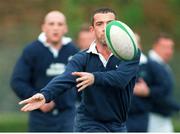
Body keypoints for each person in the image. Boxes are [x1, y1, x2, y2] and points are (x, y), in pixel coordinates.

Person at [18, 7, 140, 132]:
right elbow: (66, 77)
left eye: (109, 24)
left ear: (118, 27)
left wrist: (94, 77)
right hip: (89, 123)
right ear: (92, 30)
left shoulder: (130, 54)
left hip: (118, 124)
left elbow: (121, 79)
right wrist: (45, 95)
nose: (105, 28)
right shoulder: (81, 57)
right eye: (99, 24)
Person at [10, 10, 78, 132]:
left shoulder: (73, 50)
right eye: (51, 24)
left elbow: (81, 81)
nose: (55, 28)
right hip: (40, 120)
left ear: (65, 28)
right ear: (44, 27)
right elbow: (17, 81)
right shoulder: (31, 50)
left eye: (60, 24)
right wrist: (38, 98)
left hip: (69, 117)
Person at [147, 33, 180, 132]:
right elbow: (158, 94)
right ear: (155, 46)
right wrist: (177, 107)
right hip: (154, 118)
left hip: (163, 118)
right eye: (165, 47)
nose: (169, 51)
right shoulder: (151, 64)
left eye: (171, 47)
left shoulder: (162, 65)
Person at [126, 33, 151, 132]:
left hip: (140, 118)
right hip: (119, 117)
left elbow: (162, 89)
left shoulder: (149, 65)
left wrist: (148, 91)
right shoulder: (116, 64)